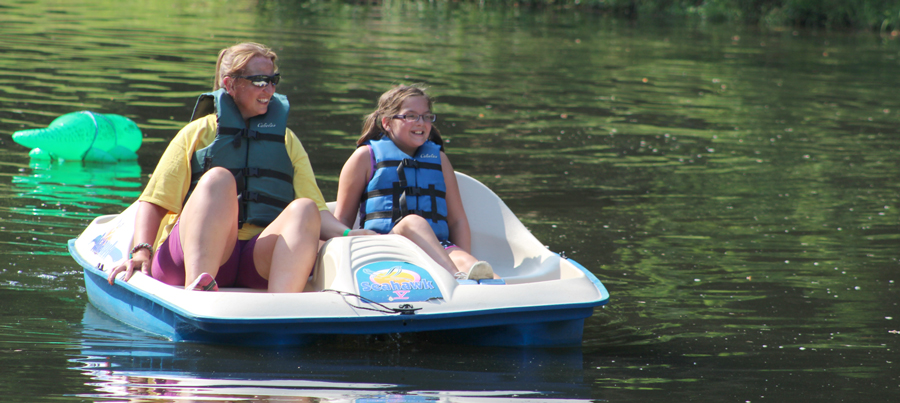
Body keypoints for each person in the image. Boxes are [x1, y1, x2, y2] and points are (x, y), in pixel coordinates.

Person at [107, 42, 372, 292]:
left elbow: (317, 211)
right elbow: (154, 202)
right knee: (218, 179)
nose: (269, 89)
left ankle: (284, 315)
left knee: (304, 207)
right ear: (229, 84)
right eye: (259, 81)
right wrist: (141, 251)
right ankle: (199, 291)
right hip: (191, 257)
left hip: (255, 259)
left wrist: (351, 234)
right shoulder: (198, 132)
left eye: (273, 81)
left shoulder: (287, 139)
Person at [333, 84, 496, 281]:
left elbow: (457, 220)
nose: (421, 122)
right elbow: (341, 221)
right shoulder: (364, 157)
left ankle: (496, 290)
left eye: (426, 116)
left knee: (469, 263)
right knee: (413, 222)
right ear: (386, 122)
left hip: (437, 247)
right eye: (411, 116)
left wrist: (464, 253)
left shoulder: (439, 160)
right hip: (383, 246)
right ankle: (455, 277)